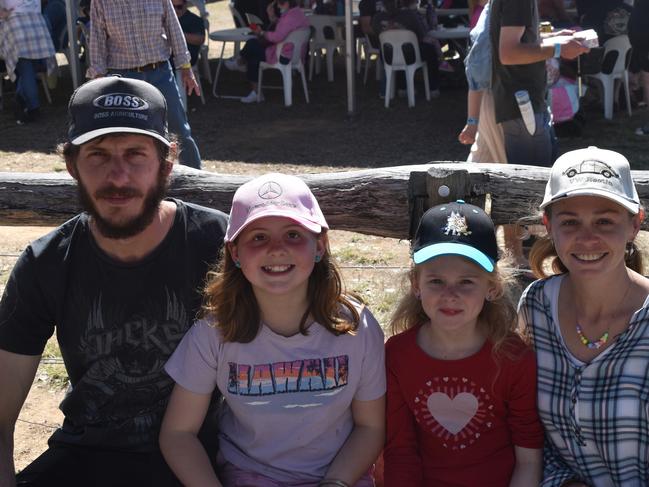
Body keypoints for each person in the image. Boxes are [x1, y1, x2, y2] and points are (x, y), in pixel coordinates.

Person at [0, 76, 228, 487]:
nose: (118, 176)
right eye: (98, 155)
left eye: (136, 154)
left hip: (206, 461)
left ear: (167, 162)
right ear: (72, 165)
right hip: (90, 455)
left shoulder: (220, 245)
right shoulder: (46, 262)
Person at [160, 173, 386, 486]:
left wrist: (336, 482)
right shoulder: (214, 332)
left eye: (294, 234)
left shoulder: (357, 327)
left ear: (319, 245)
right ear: (235, 253)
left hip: (338, 477)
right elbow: (177, 433)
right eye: (258, 237)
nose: (277, 249)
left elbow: (370, 427)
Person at [383, 200, 544, 486]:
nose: (450, 294)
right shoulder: (396, 355)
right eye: (436, 281)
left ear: (492, 287)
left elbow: (529, 458)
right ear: (416, 285)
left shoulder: (515, 358)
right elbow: (400, 452)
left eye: (466, 282)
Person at [519, 146, 649, 486]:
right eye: (570, 221)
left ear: (635, 223)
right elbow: (526, 430)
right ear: (548, 225)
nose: (586, 238)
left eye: (604, 220)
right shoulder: (535, 307)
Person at [88, 0, 203, 169]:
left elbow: (174, 28)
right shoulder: (101, 2)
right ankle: (139, 179)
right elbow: (97, 39)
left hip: (160, 72)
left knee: (179, 129)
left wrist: (185, 67)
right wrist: (98, 78)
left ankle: (196, 177)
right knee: (130, 134)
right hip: (123, 77)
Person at [489, 0, 589, 166]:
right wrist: (559, 49)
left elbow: (522, 37)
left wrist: (555, 37)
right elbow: (508, 53)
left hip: (526, 102)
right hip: (522, 105)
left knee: (541, 174)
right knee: (533, 182)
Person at [224, 0, 309, 103]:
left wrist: (262, 32)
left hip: (283, 55)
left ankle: (240, 62)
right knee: (254, 53)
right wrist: (272, 17)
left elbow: (277, 36)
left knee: (252, 45)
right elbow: (285, 27)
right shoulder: (297, 13)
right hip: (292, 54)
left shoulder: (290, 17)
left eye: (281, 3)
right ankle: (254, 89)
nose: (278, 6)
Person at [0, 0, 55, 124]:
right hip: (36, 22)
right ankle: (21, 101)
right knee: (30, 68)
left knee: (25, 70)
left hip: (15, 23)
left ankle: (29, 106)